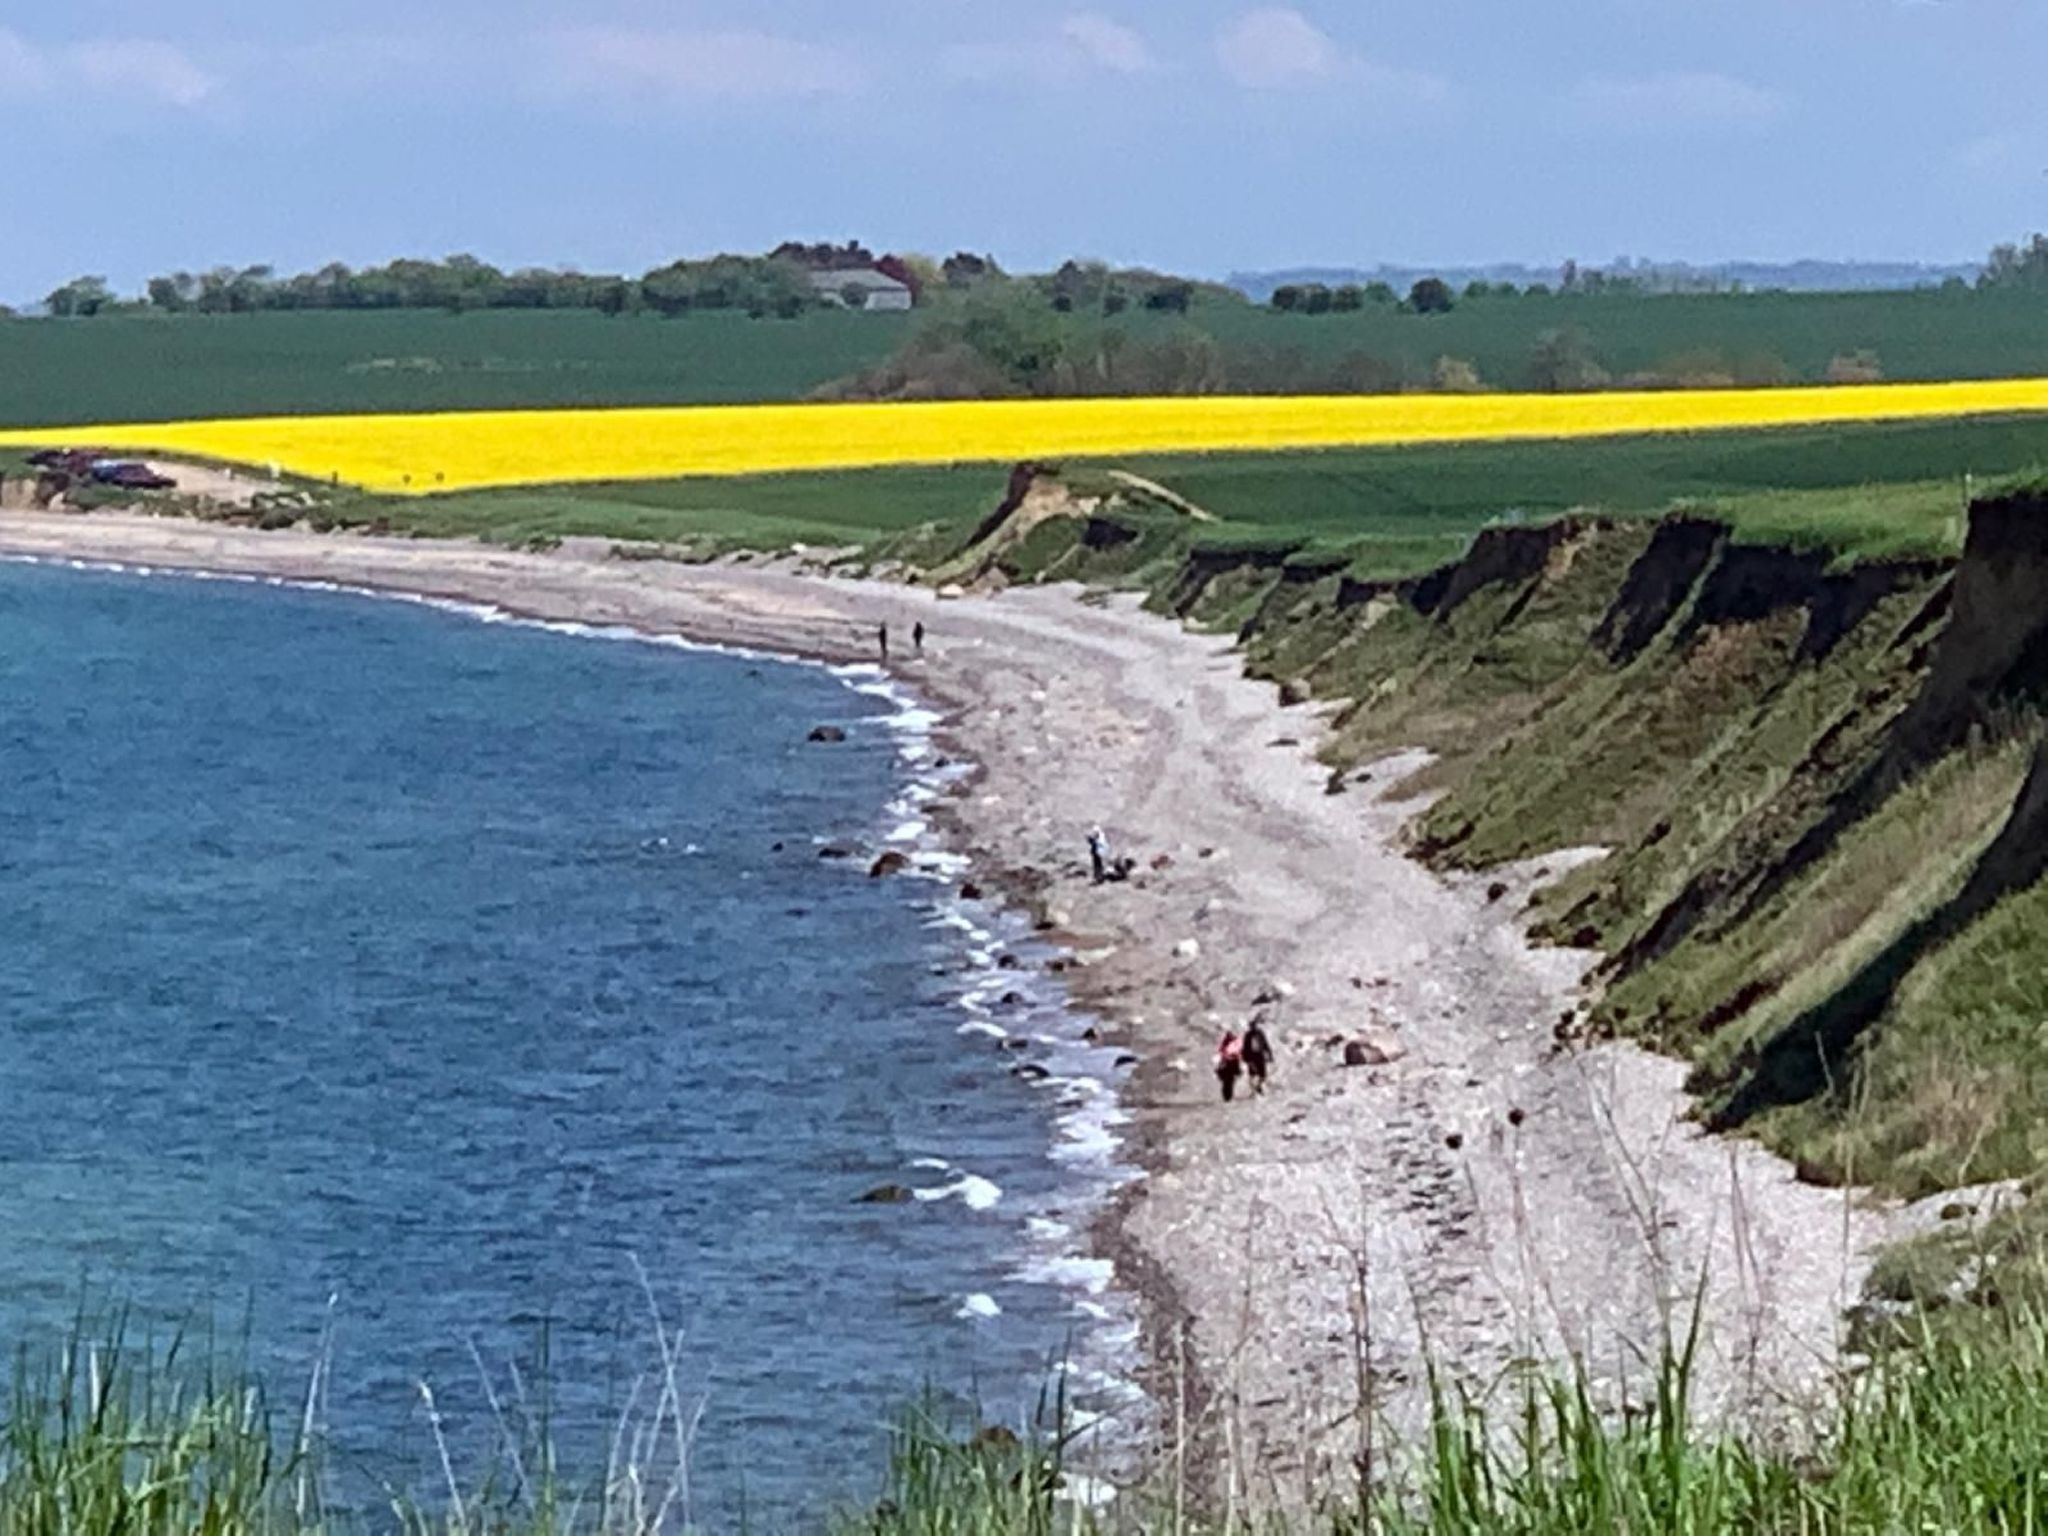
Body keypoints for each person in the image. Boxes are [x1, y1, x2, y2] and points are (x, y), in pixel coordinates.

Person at [1242, 1015, 1274, 1096]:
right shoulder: (1248, 1035)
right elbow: (1245, 1047)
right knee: (1252, 1075)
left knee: (1263, 1075)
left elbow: (1265, 1044)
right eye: (1251, 1025)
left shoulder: (1260, 1034)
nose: (1253, 1027)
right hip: (1252, 1057)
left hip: (1259, 1055)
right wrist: (1246, 1059)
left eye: (1254, 1025)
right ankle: (1253, 1091)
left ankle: (1258, 1087)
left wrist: (1269, 1054)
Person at [1215, 1031, 1244, 1103]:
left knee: (1228, 1082)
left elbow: (1221, 1051)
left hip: (1228, 1065)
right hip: (1230, 1065)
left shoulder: (1226, 1042)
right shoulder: (1231, 1042)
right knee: (1229, 1082)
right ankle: (1228, 1096)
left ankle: (1227, 1096)